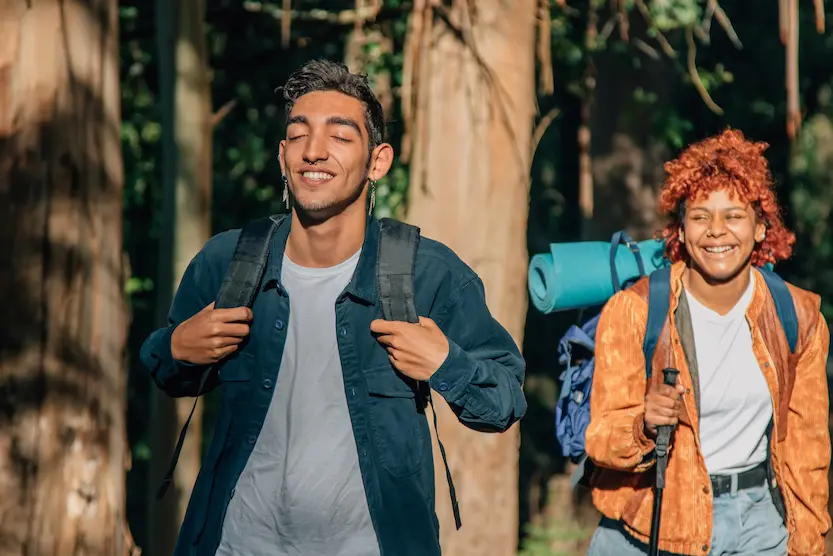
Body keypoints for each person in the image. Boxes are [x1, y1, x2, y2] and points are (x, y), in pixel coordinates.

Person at [139, 58, 526, 556]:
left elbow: (505, 401)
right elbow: (165, 371)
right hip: (235, 544)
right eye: (298, 136)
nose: (314, 152)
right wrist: (174, 347)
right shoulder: (229, 262)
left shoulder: (426, 273)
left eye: (340, 137)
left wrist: (445, 363)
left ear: (378, 161)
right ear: (282, 156)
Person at [584, 128, 830, 555]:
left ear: (759, 229)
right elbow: (602, 440)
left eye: (733, 215)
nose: (717, 231)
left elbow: (807, 450)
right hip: (653, 525)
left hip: (759, 524)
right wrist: (643, 422)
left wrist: (812, 540)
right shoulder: (634, 311)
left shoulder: (799, 316)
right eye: (700, 216)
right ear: (681, 231)